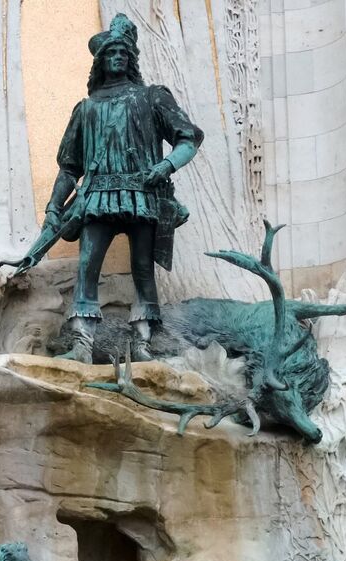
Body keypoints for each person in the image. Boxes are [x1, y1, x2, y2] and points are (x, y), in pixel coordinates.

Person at [12, 13, 203, 362]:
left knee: (143, 268)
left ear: (131, 60)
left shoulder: (151, 97)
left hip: (141, 194)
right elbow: (70, 167)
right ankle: (82, 342)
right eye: (111, 53)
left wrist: (165, 165)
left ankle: (143, 341)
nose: (118, 58)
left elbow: (187, 139)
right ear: (100, 62)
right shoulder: (86, 109)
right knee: (88, 266)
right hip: (97, 196)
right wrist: (54, 207)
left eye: (123, 53)